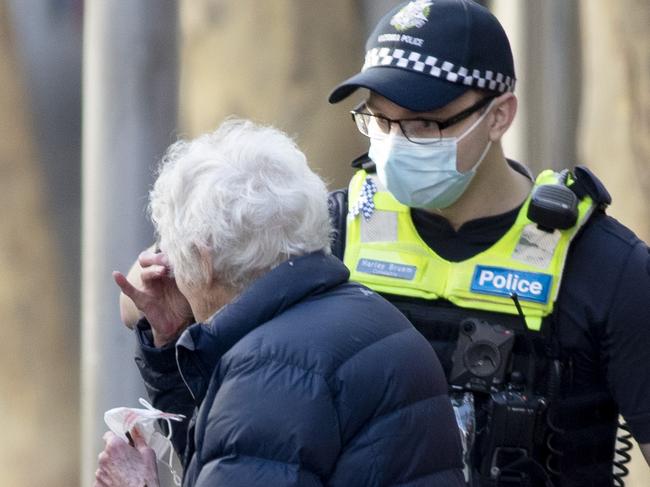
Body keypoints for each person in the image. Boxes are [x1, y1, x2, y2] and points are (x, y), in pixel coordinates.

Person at [324, 1, 650, 486]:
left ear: (499, 116)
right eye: (379, 120)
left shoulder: (605, 265)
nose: (393, 144)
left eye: (422, 125)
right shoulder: (332, 234)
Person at [97, 119, 465, 486]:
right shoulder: (369, 315)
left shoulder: (268, 370)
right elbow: (231, 456)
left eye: (174, 255)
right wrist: (173, 344)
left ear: (203, 260)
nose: (174, 274)